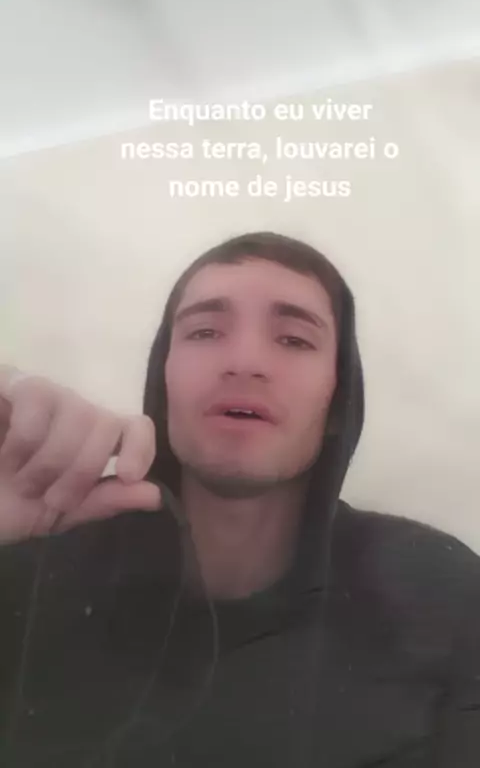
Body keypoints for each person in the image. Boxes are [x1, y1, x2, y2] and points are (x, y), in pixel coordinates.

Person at [0, 230, 478, 768]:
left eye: (294, 340)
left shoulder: (446, 596)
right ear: (163, 379)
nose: (245, 361)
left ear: (338, 400)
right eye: (204, 331)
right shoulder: (32, 570)